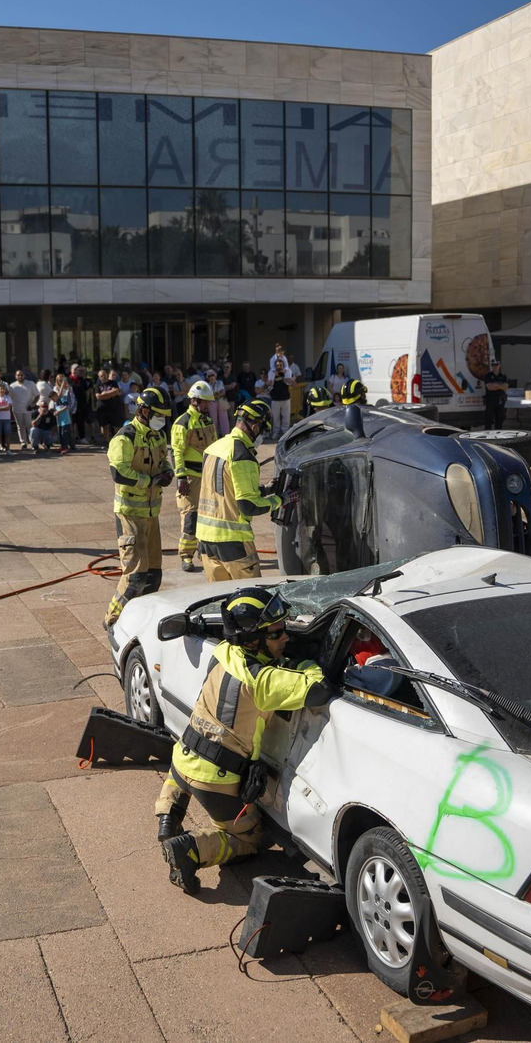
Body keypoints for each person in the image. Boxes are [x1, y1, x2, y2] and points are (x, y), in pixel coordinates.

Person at [155, 587, 326, 893]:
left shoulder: (225, 651)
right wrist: (303, 664)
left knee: (182, 768)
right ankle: (191, 849)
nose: (285, 637)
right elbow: (318, 689)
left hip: (182, 759)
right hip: (216, 780)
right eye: (276, 634)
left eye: (284, 629)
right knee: (250, 841)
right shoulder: (264, 681)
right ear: (252, 639)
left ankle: (169, 814)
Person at [104, 387, 172, 628]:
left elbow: (163, 460)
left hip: (152, 514)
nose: (162, 420)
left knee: (153, 575)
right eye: (158, 415)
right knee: (135, 576)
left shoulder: (158, 435)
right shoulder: (125, 437)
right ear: (144, 410)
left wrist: (167, 471)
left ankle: (140, 620)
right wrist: (149, 481)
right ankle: (112, 620)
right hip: (130, 515)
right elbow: (119, 472)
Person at [196, 399, 278, 582]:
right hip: (233, 542)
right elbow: (248, 506)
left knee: (219, 601)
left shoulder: (214, 448)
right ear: (255, 426)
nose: (260, 436)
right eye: (262, 430)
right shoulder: (242, 455)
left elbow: (227, 490)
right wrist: (281, 499)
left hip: (205, 539)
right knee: (250, 600)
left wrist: (264, 490)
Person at [170, 380, 217, 574]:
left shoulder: (207, 421)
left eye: (209, 402)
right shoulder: (183, 423)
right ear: (195, 401)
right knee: (190, 516)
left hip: (207, 475)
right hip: (190, 478)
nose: (208, 406)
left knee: (208, 515)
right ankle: (186, 555)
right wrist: (180, 477)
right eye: (205, 402)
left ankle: (204, 551)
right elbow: (176, 452)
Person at [7, 368, 37, 451]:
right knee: (20, 427)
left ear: (24, 375)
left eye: (21, 375)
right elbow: (9, 398)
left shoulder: (31, 384)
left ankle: (33, 442)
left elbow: (37, 395)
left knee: (29, 426)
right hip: (17, 409)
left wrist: (33, 404)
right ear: (15, 376)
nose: (20, 376)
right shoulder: (12, 386)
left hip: (28, 409)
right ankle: (23, 442)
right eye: (18, 375)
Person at [267, 345, 294, 434]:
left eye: (281, 350)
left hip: (285, 397)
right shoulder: (272, 363)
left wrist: (286, 375)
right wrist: (276, 372)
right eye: (278, 350)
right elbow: (272, 368)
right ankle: (276, 432)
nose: (279, 366)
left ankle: (285, 432)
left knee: (286, 416)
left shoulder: (285, 364)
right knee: (276, 417)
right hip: (275, 397)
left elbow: (286, 368)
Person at [481, 359, 510, 429]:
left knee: (499, 421)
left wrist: (495, 385)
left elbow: (505, 387)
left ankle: (498, 437)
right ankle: (487, 437)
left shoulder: (503, 376)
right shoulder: (488, 376)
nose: (495, 367)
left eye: (496, 365)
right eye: (493, 365)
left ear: (499, 365)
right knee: (488, 421)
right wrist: (500, 386)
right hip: (490, 400)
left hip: (500, 401)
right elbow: (489, 387)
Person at [0, 383, 14, 454]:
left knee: (7, 434)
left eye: (3, 389)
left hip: (6, 418)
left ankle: (8, 449)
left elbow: (9, 408)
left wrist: (0, 408)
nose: (2, 390)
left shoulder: (8, 398)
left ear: (5, 390)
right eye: (0, 389)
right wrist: (4, 408)